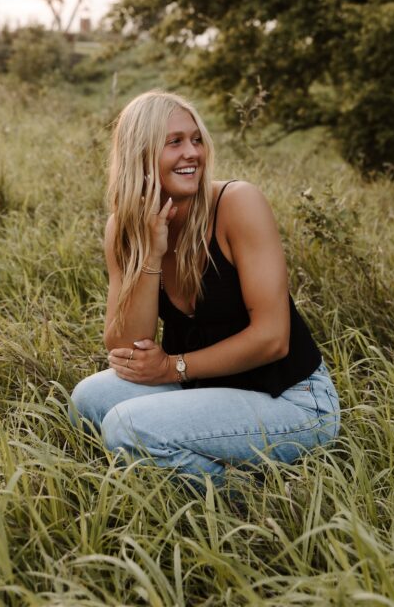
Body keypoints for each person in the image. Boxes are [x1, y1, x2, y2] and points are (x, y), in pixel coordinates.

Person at [70, 90, 339, 488]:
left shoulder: (237, 204)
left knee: (128, 429)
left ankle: (259, 506)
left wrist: (171, 367)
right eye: (174, 142)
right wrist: (150, 254)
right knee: (88, 400)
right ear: (140, 154)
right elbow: (126, 345)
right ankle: (205, 459)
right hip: (210, 386)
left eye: (195, 140)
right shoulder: (123, 229)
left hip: (291, 399)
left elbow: (272, 340)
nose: (192, 153)